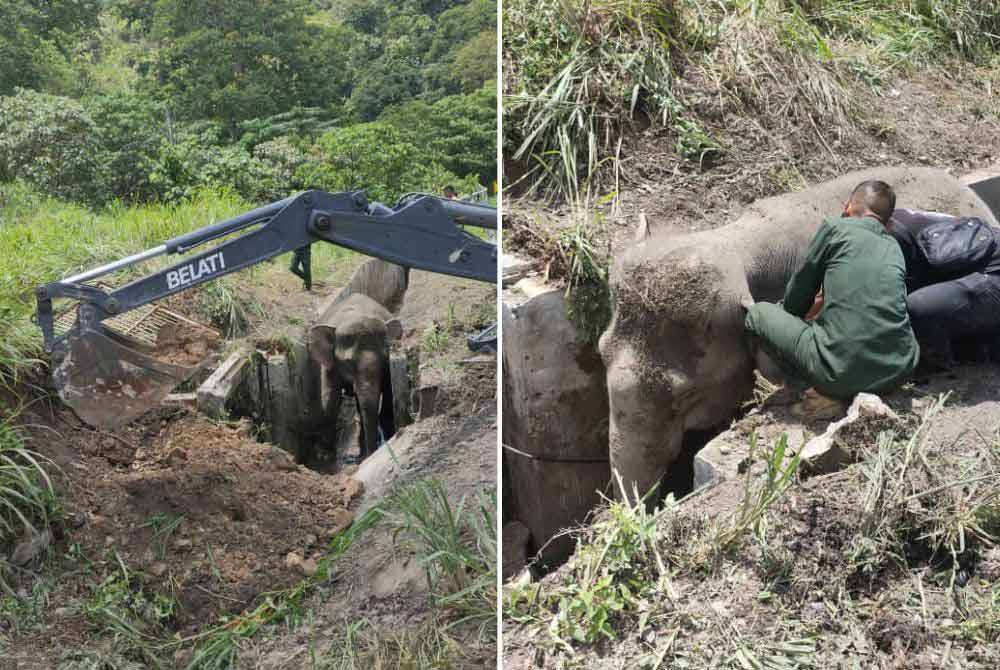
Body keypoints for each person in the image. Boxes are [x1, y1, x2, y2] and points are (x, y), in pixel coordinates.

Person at [744, 180, 920, 416]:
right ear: (887, 223)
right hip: (897, 370)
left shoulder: (835, 227)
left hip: (839, 373)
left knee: (758, 314)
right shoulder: (894, 247)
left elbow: (797, 299)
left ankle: (816, 392)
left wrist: (790, 318)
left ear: (846, 207)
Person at [887, 208, 1000, 368]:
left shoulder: (890, 239)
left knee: (917, 306)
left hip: (993, 273)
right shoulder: (889, 216)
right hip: (975, 266)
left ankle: (944, 361)